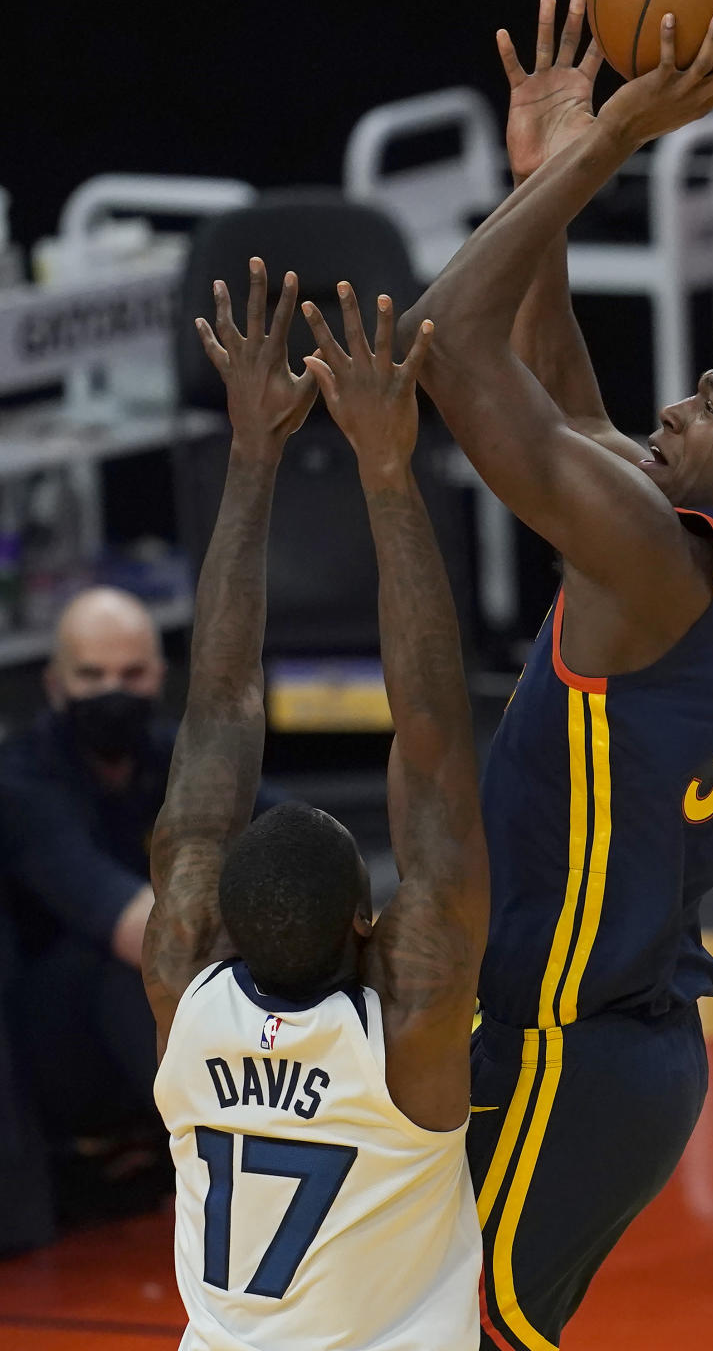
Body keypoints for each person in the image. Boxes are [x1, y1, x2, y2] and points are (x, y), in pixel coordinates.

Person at [377, 0, 713, 1350]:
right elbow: (559, 401)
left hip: (570, 1038)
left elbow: (448, 340)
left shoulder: (660, 560)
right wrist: (542, 184)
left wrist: (610, 139)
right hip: (616, 1032)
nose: (679, 403)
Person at [145, 260, 487, 1351]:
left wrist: (252, 455)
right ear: (368, 923)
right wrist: (388, 467)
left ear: (219, 925)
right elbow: (429, 737)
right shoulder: (413, 1018)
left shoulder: (181, 979)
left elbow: (215, 716)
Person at [0, 589, 281, 1233]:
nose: (112, 692)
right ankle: (246, 1172)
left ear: (158, 676)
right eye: (91, 676)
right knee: (135, 973)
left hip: (158, 1024)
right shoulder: (23, 784)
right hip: (57, 1039)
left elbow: (302, 843)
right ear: (53, 684)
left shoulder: (177, 764)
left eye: (130, 674)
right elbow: (146, 935)